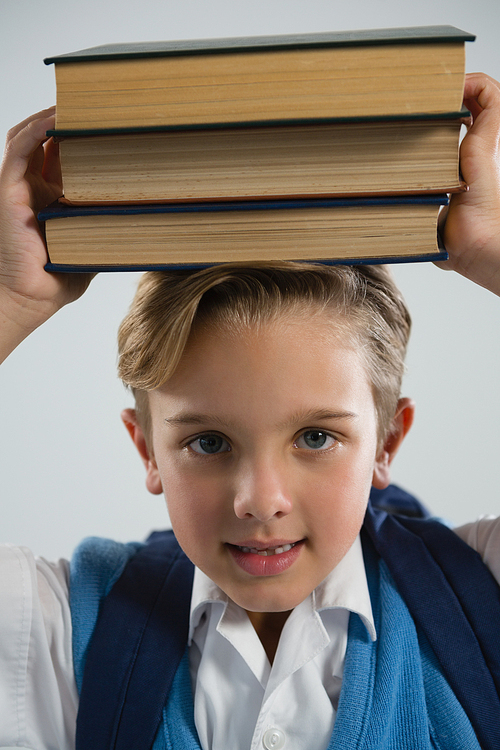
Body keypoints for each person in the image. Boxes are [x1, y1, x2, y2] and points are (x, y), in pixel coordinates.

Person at [0, 72, 499, 750]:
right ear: (146, 449)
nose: (260, 500)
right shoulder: (59, 629)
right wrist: (11, 298)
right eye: (208, 442)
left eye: (316, 436)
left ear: (387, 439)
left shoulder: (482, 596)